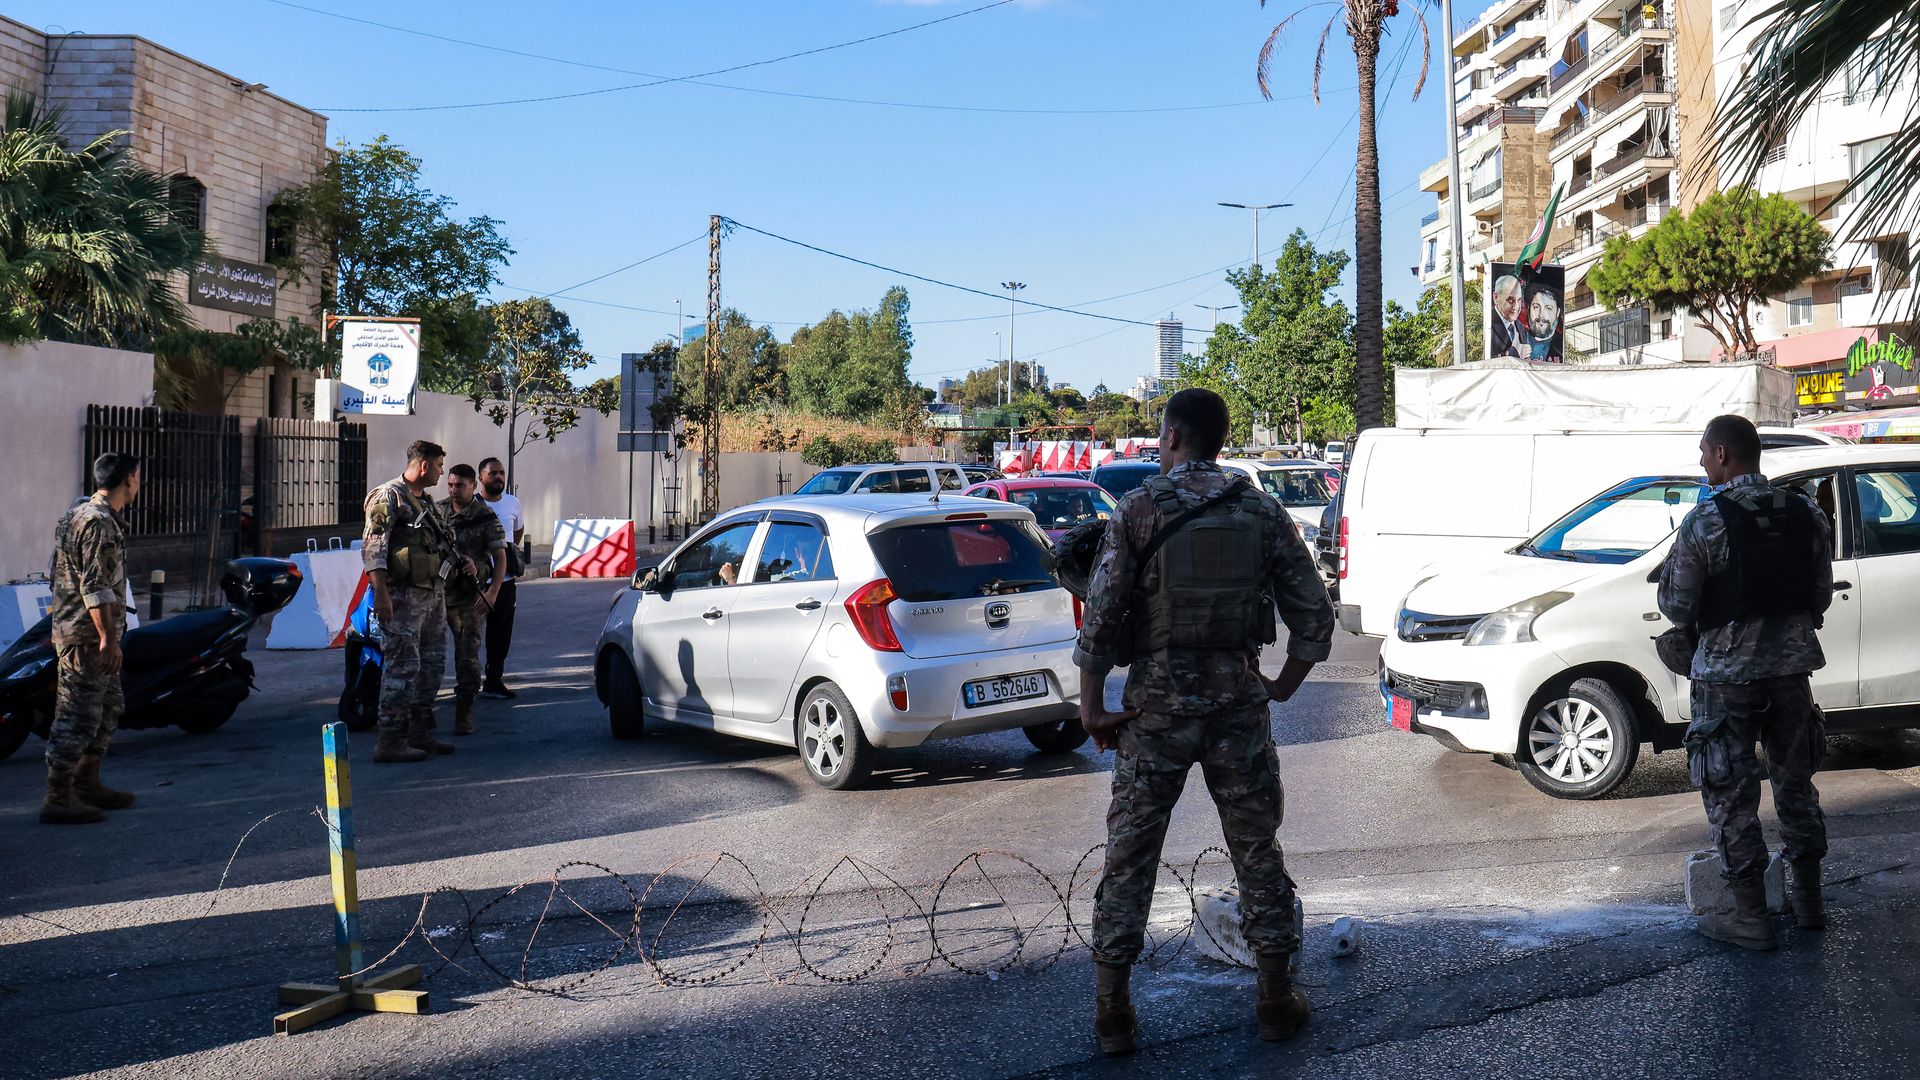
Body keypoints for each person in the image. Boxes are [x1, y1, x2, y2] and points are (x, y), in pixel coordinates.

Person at [1076, 388, 1335, 1054]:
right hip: (1237, 713)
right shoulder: (1262, 510)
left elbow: (1101, 619)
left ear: (1170, 436)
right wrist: (1280, 686)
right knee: (1257, 854)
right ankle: (1276, 1002)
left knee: (1130, 857)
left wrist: (1092, 707)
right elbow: (1314, 619)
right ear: (1220, 440)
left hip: (1153, 711)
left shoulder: (1137, 509)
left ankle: (1114, 1014)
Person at [1658, 415, 1832, 950]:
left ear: (1725, 455)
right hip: (1790, 673)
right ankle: (1808, 902)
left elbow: (1676, 604)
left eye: (1705, 453)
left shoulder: (1705, 519)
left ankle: (1751, 917)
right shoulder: (1804, 512)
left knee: (1731, 794)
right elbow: (1820, 595)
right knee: (1795, 785)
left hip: (1726, 680)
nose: (1702, 462)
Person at [41, 453, 141, 825]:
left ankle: (86, 782)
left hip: (85, 631)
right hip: (86, 637)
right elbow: (95, 586)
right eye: (138, 476)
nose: (139, 483)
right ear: (129, 479)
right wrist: (107, 639)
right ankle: (57, 795)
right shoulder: (98, 523)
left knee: (109, 707)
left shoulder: (77, 514)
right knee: (77, 714)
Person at [363, 440, 456, 763]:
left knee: (432, 665)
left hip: (431, 594)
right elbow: (374, 548)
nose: (443, 472)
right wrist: (381, 594)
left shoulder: (427, 502)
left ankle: (419, 733)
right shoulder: (389, 496)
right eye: (440, 465)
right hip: (402, 597)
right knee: (402, 666)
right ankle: (390, 739)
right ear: (425, 465)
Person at [438, 464, 507, 736]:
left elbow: (500, 558)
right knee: (427, 654)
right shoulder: (438, 511)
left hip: (468, 597)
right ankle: (421, 713)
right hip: (436, 594)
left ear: (473, 487)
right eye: (451, 485)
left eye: (460, 486)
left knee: (467, 658)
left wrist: (492, 592)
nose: (454, 490)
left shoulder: (484, 516)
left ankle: (464, 711)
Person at [477, 457, 525, 700]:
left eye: (501, 473)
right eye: (493, 473)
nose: (498, 477)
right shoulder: (471, 504)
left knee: (500, 634)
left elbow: (517, 532)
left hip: (504, 582)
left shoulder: (513, 503)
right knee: (470, 633)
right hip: (474, 583)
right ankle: (467, 681)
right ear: (481, 478)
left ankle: (494, 680)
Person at [1490, 273, 1531, 359]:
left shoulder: (1520, 327)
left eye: (1519, 300)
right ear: (1496, 297)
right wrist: (1515, 353)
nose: (1516, 306)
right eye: (1511, 300)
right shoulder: (1488, 325)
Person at [1524, 282, 1563, 363]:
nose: (1541, 315)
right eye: (1536, 307)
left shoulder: (1561, 347)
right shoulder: (1517, 338)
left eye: (1548, 308)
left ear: (1557, 312)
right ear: (1529, 309)